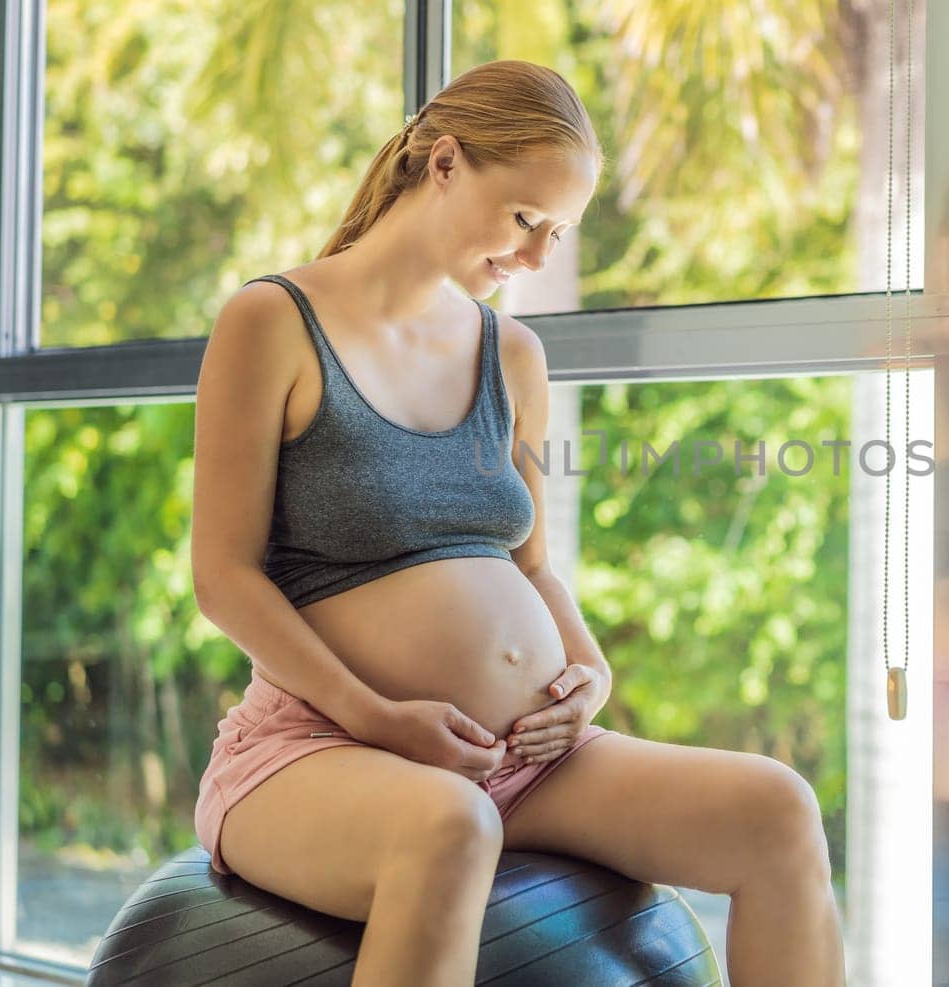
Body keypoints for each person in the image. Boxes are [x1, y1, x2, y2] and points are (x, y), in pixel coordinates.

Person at [189, 59, 845, 986]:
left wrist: (589, 673)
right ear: (445, 162)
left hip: (527, 763)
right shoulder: (273, 322)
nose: (538, 257)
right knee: (450, 825)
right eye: (526, 220)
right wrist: (380, 717)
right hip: (317, 749)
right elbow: (224, 577)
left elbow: (531, 566)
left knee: (777, 807)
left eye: (560, 232)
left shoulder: (514, 356)